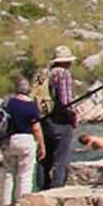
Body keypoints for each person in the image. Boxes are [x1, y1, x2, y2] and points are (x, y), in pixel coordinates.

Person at [0, 77, 45, 206]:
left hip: (9, 139)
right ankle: (21, 202)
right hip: (26, 139)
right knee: (25, 173)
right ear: (28, 90)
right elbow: (36, 127)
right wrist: (42, 145)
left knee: (9, 172)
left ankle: (6, 203)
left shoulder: (8, 103)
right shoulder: (31, 106)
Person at [40, 45, 80, 188]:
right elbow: (65, 100)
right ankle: (56, 189)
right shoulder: (63, 74)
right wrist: (74, 115)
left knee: (45, 157)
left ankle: (42, 187)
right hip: (60, 121)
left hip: (44, 119)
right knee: (61, 158)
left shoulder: (45, 73)